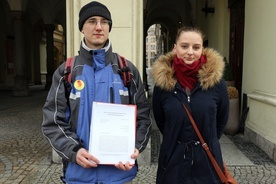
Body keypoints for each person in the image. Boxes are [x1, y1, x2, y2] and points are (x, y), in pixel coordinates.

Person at [42, 1, 151, 183]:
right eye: (92, 21)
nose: (99, 27)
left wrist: (134, 148)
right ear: (82, 28)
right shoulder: (66, 72)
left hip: (119, 175)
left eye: (104, 22)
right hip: (79, 175)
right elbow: (52, 121)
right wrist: (74, 151)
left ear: (109, 27)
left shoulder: (127, 70)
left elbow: (144, 117)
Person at [150, 26, 229, 183]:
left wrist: (205, 142)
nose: (190, 52)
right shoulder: (163, 84)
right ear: (175, 48)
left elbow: (221, 121)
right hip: (173, 161)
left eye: (196, 47)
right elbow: (161, 121)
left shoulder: (216, 83)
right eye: (184, 46)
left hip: (207, 163)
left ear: (202, 49)